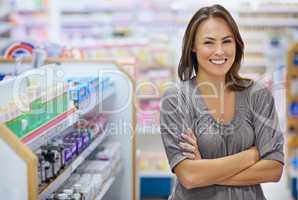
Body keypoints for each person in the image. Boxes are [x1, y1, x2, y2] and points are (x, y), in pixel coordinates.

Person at [160, 4, 284, 200]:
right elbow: (190, 176)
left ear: (236, 43)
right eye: (209, 42)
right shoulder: (176, 98)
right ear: (193, 46)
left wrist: (206, 170)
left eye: (226, 41)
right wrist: (251, 156)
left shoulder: (257, 95)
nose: (219, 51)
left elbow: (274, 169)